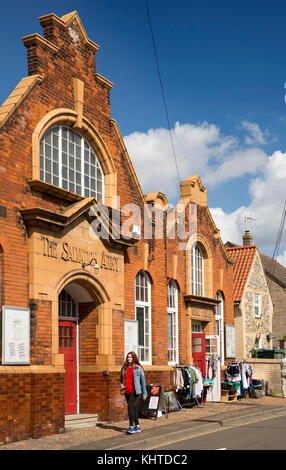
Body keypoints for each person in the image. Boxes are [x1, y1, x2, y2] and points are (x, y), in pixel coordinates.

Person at [120, 351, 147, 434]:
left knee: (130, 407)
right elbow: (121, 379)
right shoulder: (124, 368)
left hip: (135, 391)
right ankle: (137, 426)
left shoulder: (139, 368)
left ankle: (131, 426)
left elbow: (143, 381)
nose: (129, 359)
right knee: (133, 408)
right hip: (126, 390)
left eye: (130, 357)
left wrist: (144, 393)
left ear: (134, 358)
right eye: (128, 357)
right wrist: (121, 385)